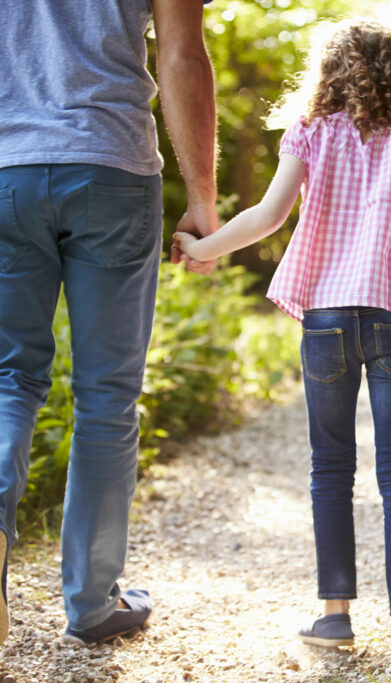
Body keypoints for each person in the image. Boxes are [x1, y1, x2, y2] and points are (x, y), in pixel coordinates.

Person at [174, 19, 391, 659]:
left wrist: (205, 249)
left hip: (328, 320)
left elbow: (269, 215)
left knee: (329, 465)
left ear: (330, 73)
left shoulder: (311, 133)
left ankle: (334, 614)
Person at [0, 0, 218, 646]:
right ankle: (92, 602)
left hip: (7, 169)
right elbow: (182, 53)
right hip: (110, 166)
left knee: (9, 377)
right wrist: (201, 197)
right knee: (106, 396)